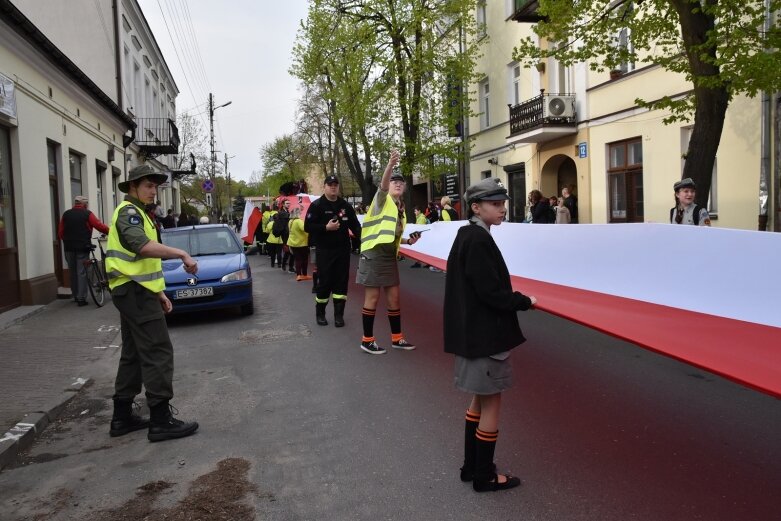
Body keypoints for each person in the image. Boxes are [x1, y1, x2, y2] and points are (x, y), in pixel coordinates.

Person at [444, 177, 537, 492]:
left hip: (471, 335)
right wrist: (524, 302)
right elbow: (491, 293)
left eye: (503, 203)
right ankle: (484, 475)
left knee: (478, 402)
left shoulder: (465, 235)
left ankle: (472, 468)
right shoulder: (479, 240)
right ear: (476, 207)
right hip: (485, 337)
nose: (502, 208)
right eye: (495, 204)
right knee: (491, 404)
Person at [105, 165, 199, 442]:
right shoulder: (130, 213)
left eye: (155, 187)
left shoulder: (141, 214)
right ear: (133, 186)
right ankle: (160, 420)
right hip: (133, 292)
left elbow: (142, 263)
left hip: (135, 290)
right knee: (158, 350)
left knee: (133, 353)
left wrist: (158, 293)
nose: (153, 191)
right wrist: (181, 252)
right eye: (148, 186)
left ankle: (121, 416)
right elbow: (142, 247)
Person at [356, 150, 421, 354]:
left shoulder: (400, 209)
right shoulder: (381, 201)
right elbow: (383, 185)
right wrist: (390, 165)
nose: (398, 183)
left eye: (401, 182)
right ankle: (367, 340)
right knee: (373, 299)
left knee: (394, 299)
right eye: (395, 181)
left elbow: (390, 235)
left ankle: (397, 338)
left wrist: (408, 241)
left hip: (388, 257)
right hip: (373, 254)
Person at [304, 174, 361, 327]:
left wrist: (366, 241)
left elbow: (355, 227)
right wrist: (325, 228)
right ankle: (320, 313)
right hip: (325, 251)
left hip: (342, 251)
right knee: (325, 282)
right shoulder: (317, 205)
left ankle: (338, 316)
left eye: (336, 184)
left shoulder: (345, 206)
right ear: (325, 187)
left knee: (341, 283)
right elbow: (307, 227)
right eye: (330, 185)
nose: (333, 187)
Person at [58, 195, 110, 306]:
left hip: (69, 247)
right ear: (85, 204)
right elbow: (99, 225)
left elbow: (61, 232)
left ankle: (76, 295)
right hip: (83, 246)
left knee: (72, 271)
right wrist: (110, 231)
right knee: (81, 271)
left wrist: (68, 240)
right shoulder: (87, 214)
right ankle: (81, 298)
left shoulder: (66, 214)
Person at [288, 207, 312, 281]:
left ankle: (298, 275)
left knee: (297, 259)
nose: (301, 214)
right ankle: (304, 274)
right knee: (304, 259)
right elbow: (305, 229)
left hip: (293, 242)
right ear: (297, 213)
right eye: (300, 213)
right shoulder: (299, 221)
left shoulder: (290, 221)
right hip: (301, 243)